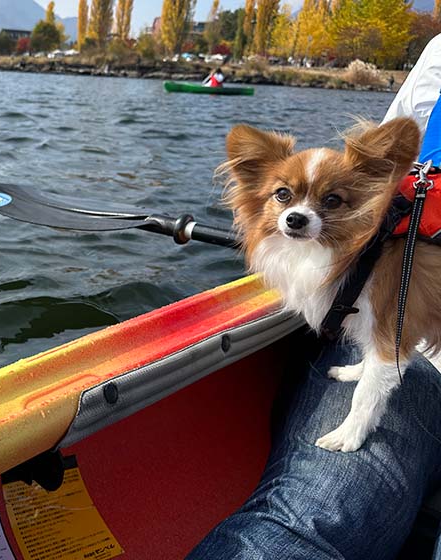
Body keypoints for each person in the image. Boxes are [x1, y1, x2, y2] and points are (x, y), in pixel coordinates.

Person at [188, 35, 441, 560]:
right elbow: (386, 159)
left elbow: (392, 343)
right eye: (284, 196)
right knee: (300, 525)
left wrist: (358, 420)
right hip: (409, 356)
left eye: (325, 201)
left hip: (412, 358)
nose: (297, 210)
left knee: (309, 519)